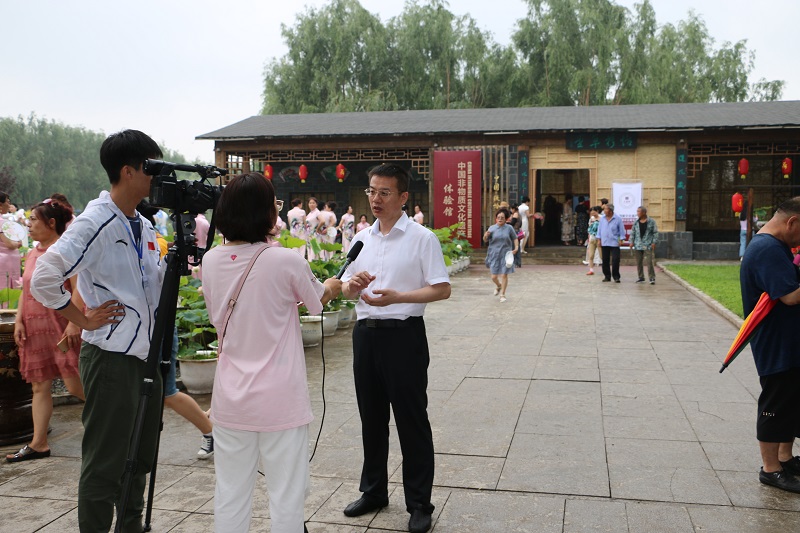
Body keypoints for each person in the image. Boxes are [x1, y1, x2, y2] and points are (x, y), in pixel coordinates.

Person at [30, 129, 165, 533]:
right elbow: (45, 277)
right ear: (127, 171)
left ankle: (130, 526)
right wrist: (83, 317)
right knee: (105, 462)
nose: (157, 176)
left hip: (145, 356)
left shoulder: (140, 222)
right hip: (111, 360)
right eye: (151, 168)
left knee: (139, 458)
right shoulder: (96, 221)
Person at [202, 172, 341, 533]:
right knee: (286, 498)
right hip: (281, 400)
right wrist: (332, 285)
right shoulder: (285, 260)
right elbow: (317, 301)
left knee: (230, 494)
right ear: (266, 212)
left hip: (231, 399)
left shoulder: (211, 261)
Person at [340, 164, 450, 533]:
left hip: (404, 337)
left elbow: (441, 288)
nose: (375, 199)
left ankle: (419, 503)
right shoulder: (361, 238)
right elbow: (344, 286)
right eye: (371, 191)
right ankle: (373, 491)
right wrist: (351, 286)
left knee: (411, 420)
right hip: (365, 335)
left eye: (384, 193)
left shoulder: (422, 238)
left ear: (403, 197)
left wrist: (399, 297)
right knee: (371, 418)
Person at [6, 199, 85, 463]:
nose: (28, 225)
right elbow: (26, 291)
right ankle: (38, 443)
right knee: (40, 386)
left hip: (61, 326)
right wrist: (19, 320)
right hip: (35, 329)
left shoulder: (66, 252)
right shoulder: (32, 252)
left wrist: (75, 323)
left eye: (34, 220)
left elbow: (79, 290)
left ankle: (120, 423)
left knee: (76, 386)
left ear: (52, 223)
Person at [137, 200, 215, 459]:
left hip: (158, 325)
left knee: (167, 392)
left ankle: (210, 430)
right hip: (146, 327)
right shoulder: (149, 240)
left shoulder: (153, 243)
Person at [740, 197, 800, 494]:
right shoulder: (767, 249)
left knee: (789, 401)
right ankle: (770, 469)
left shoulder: (773, 246)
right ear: (792, 222)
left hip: (787, 339)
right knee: (776, 402)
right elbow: (790, 296)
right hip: (776, 342)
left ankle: (785, 458)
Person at [483, 208, 519, 303]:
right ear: (496, 218)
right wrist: (486, 235)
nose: (500, 219)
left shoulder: (509, 228)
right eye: (498, 217)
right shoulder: (492, 228)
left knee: (504, 274)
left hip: (506, 254)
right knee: (493, 276)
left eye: (502, 217)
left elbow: (515, 238)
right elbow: (485, 240)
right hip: (494, 254)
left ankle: (502, 294)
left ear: (506, 218)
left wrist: (516, 247)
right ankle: (498, 286)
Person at [630, 206, 659, 284]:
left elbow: (655, 232)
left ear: (644, 212)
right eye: (637, 211)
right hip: (638, 244)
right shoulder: (636, 222)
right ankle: (641, 277)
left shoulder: (651, 221)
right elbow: (633, 233)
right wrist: (631, 242)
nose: (637, 213)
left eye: (639, 211)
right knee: (639, 262)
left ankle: (652, 278)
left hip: (648, 244)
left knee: (649, 262)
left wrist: (654, 242)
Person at [597, 203, 625, 283]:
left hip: (614, 242)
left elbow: (621, 230)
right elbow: (599, 229)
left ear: (610, 210)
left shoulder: (617, 218)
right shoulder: (602, 218)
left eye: (605, 209)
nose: (604, 211)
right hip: (605, 242)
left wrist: (621, 239)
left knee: (616, 260)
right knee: (605, 260)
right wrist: (599, 240)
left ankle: (616, 276)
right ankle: (607, 276)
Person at [0, 191, 23, 289]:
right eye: (8, 202)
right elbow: (9, 244)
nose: (9, 205)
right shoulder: (2, 223)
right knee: (7, 287)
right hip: (5, 261)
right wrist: (17, 243)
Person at [584, 207, 601, 275]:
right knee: (591, 255)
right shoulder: (591, 219)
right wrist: (589, 237)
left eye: (594, 212)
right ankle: (591, 270)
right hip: (592, 239)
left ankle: (606, 269)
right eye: (591, 212)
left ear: (597, 211)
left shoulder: (602, 218)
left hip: (599, 239)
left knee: (602, 255)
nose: (592, 213)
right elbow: (589, 228)